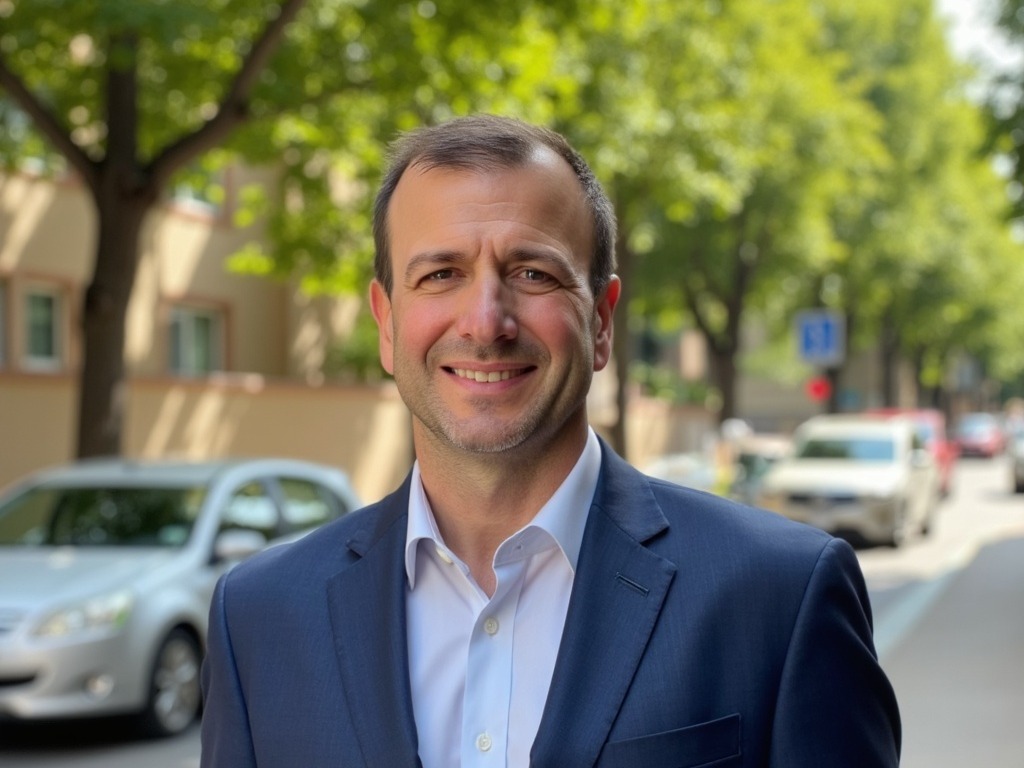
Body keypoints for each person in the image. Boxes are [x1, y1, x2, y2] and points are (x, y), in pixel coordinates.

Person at [200, 114, 901, 767]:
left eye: (532, 273)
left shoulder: (778, 594)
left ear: (601, 322)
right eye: (440, 274)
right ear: (386, 322)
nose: (485, 321)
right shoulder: (259, 618)